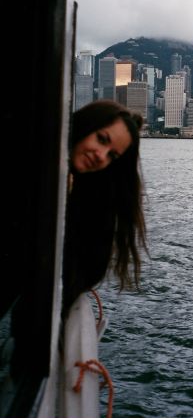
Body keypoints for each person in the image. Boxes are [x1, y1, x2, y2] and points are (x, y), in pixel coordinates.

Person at [62, 99, 147, 316]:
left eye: (112, 155)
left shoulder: (92, 202)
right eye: (101, 139)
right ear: (84, 125)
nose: (101, 156)